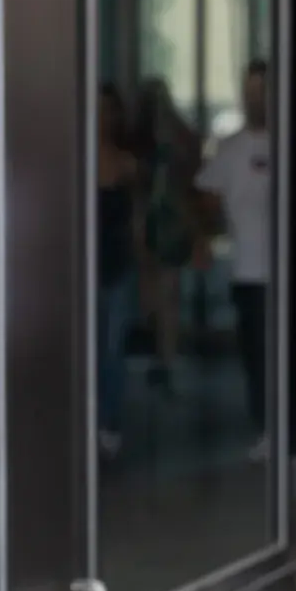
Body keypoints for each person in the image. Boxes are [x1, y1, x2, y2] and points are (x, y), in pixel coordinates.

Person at [195, 59, 270, 461]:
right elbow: (206, 197)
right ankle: (266, 427)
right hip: (247, 271)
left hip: (286, 272)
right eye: (250, 89)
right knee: (256, 355)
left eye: (262, 89)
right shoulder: (232, 146)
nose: (255, 97)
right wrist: (204, 238)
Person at [133, 77, 203, 394]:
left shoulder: (176, 134)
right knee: (154, 290)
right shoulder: (141, 135)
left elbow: (191, 165)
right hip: (149, 216)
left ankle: (166, 357)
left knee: (166, 290)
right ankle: (159, 352)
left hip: (167, 217)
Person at [97, 84, 140, 456]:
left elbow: (137, 218)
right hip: (82, 269)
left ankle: (108, 423)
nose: (103, 118)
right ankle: (86, 420)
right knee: (86, 348)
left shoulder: (127, 163)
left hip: (119, 264)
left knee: (113, 350)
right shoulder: (76, 160)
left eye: (109, 110)